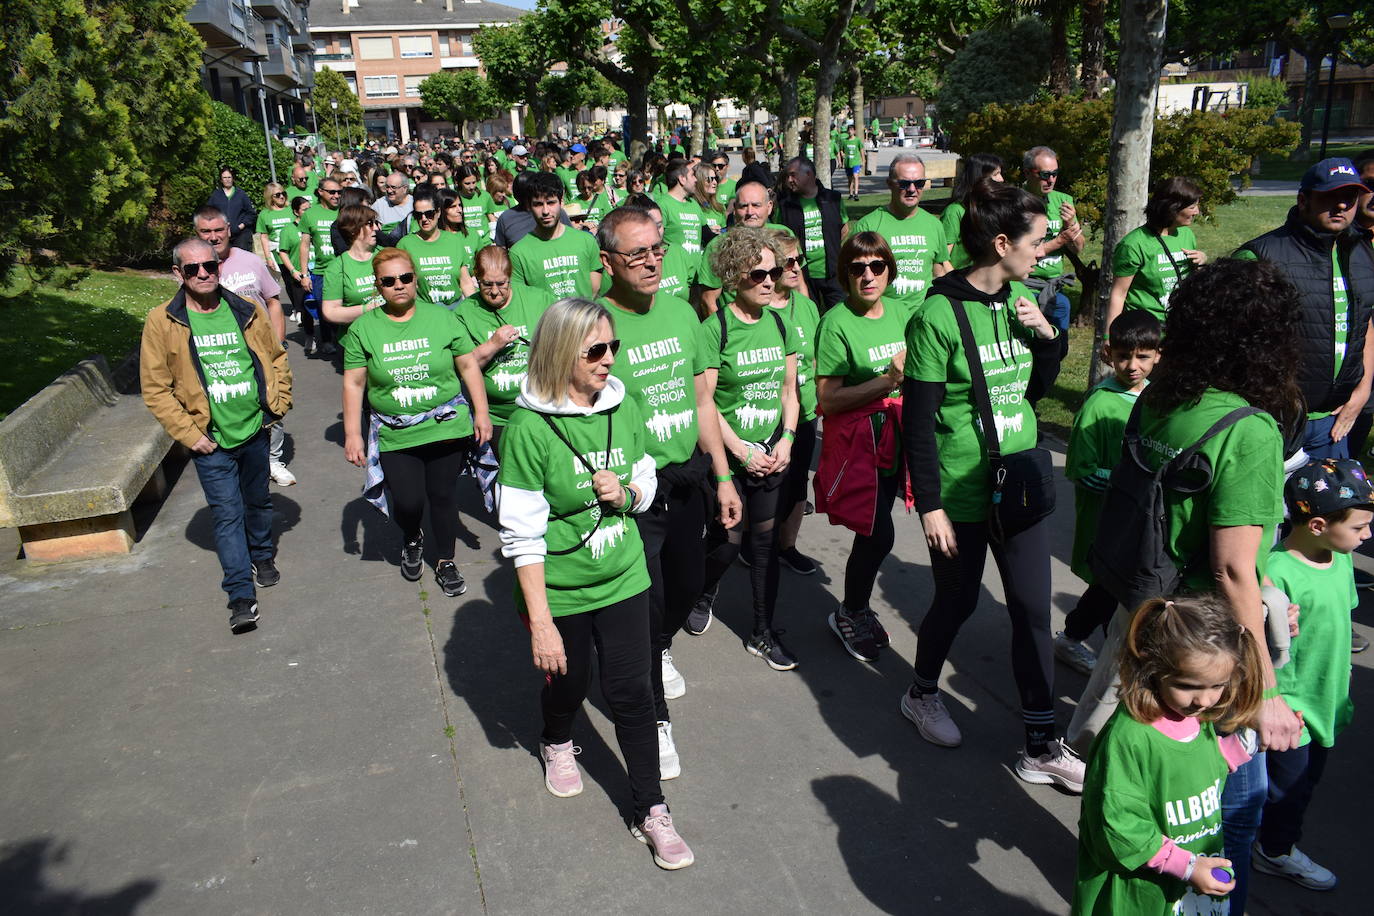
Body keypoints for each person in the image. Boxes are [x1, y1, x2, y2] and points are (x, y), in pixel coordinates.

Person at [1066, 259, 1306, 914]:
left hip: (1153, 622)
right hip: (1212, 649)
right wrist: (1267, 690)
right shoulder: (1249, 431)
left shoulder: (1159, 396)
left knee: (1155, 786)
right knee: (1233, 809)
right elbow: (1234, 569)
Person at [496, 298, 694, 870]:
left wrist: (628, 495)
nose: (610, 360)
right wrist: (541, 626)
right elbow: (522, 536)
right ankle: (557, 737)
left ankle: (650, 809)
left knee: (633, 691)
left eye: (614, 348)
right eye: (596, 351)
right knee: (569, 680)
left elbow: (646, 479)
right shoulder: (529, 429)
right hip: (559, 589)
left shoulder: (622, 404)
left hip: (625, 576)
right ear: (562, 354)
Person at [900, 180, 1081, 789]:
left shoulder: (1020, 299)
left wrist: (1048, 336)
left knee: (1032, 609)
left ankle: (1041, 743)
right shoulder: (937, 316)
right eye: (1034, 242)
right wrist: (931, 506)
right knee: (958, 600)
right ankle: (921, 692)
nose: (1042, 253)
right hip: (960, 492)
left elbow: (1032, 390)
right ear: (1001, 243)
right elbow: (918, 423)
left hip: (1020, 483)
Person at [594, 206, 741, 778]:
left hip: (688, 478)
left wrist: (723, 475)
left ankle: (656, 647)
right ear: (607, 261)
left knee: (687, 585)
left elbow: (703, 401)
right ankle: (654, 720)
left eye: (658, 248)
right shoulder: (591, 323)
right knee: (646, 602)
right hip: (631, 492)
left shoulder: (683, 313)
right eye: (638, 253)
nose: (653, 260)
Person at [1072, 595, 1264, 915]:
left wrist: (1243, 745)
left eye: (1217, 685)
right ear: (1152, 666)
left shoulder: (1194, 716)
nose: (1203, 699)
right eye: (1188, 685)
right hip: (1137, 891)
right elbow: (1119, 826)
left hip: (1186, 881)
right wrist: (1187, 866)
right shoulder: (1129, 738)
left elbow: (1195, 765)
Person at [140, 238, 292, 634]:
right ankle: (240, 595)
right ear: (178, 274)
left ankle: (262, 554)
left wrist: (277, 403)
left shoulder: (245, 309)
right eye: (193, 269)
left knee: (257, 501)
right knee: (227, 515)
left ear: (218, 267)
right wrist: (189, 435)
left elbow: (275, 357)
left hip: (255, 428)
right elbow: (156, 388)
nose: (203, 274)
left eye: (209, 266)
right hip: (210, 439)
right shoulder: (162, 321)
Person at [341, 248, 492, 598]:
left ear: (415, 279)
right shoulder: (364, 329)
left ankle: (445, 560)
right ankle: (411, 535)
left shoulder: (443, 318)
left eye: (406, 278)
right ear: (377, 286)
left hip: (446, 424)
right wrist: (352, 434)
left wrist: (481, 413)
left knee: (442, 495)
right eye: (389, 281)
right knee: (408, 501)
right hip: (396, 430)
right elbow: (354, 383)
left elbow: (468, 366)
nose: (399, 286)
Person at [1254, 458, 1372, 891]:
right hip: (1292, 708)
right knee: (1287, 791)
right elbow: (1261, 645)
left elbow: (1340, 624)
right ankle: (1274, 851)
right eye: (1359, 528)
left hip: (1328, 699)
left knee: (1305, 782)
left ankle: (1267, 839)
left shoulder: (1340, 560)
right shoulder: (1276, 571)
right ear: (1318, 524)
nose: (1367, 536)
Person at [685, 227, 800, 671]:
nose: (771, 281)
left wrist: (786, 439)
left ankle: (762, 632)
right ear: (735, 277)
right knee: (728, 545)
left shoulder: (779, 323)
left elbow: (790, 391)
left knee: (765, 546)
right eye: (759, 274)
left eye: (775, 271)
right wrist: (738, 451)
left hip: (772, 452)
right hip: (728, 457)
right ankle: (703, 590)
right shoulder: (716, 330)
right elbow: (705, 403)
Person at [813, 232, 913, 662]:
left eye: (877, 266)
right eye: (857, 268)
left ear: (889, 270)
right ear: (846, 274)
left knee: (877, 529)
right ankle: (850, 611)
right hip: (859, 446)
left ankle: (855, 605)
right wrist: (886, 382)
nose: (868, 276)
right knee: (876, 533)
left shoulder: (903, 312)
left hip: (896, 437)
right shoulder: (836, 323)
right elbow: (827, 399)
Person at [1236, 157, 1374, 462]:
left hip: (1334, 425)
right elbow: (1228, 340)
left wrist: (1363, 391)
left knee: (1334, 511)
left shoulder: (1362, 251)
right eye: (1329, 197)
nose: (1341, 206)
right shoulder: (1260, 255)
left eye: (1349, 199)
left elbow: (1364, 323)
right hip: (1272, 420)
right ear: (1303, 200)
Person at [1056, 311, 1162, 675]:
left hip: (1138, 517)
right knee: (1113, 588)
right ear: (1107, 353)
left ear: (1158, 355)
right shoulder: (1099, 403)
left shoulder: (1156, 397)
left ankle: (1080, 641)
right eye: (1123, 356)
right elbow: (1080, 468)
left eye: (1143, 357)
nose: (1132, 366)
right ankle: (1110, 658)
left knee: (1112, 589)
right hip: (1109, 519)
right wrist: (1119, 477)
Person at [193, 206, 295, 487]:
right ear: (197, 234)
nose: (213, 237)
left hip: (261, 349)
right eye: (206, 232)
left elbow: (273, 301)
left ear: (228, 230)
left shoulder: (250, 261)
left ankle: (273, 459)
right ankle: (236, 460)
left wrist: (279, 341)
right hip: (220, 354)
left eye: (218, 230)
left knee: (270, 401)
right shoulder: (195, 271)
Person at [453, 246, 556, 444]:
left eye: (501, 283)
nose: (494, 292)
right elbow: (462, 368)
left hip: (542, 407)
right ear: (476, 278)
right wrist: (492, 345)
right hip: (497, 416)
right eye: (486, 284)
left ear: (510, 277)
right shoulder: (464, 313)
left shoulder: (539, 300)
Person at [766, 229, 821, 577]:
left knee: (798, 481)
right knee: (769, 489)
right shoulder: (753, 307)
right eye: (788, 261)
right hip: (767, 419)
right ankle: (760, 547)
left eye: (799, 258)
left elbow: (818, 361)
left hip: (806, 413)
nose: (796, 265)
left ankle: (787, 546)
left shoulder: (808, 306)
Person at [853, 153, 952, 316]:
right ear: (890, 184)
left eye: (919, 183)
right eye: (904, 183)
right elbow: (852, 279)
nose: (912, 189)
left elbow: (938, 270)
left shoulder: (934, 225)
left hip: (924, 318)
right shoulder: (868, 226)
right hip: (884, 320)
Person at [1105, 177, 1207, 329]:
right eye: (1192, 207)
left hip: (1179, 327)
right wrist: (1109, 336)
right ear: (1173, 207)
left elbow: (1192, 280)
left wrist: (1202, 259)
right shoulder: (1133, 245)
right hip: (1146, 331)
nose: (1197, 212)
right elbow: (1118, 294)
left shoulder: (1186, 235)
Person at [1022, 146, 1083, 344]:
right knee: (1028, 343)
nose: (1051, 180)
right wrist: (1059, 240)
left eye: (1055, 174)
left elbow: (1079, 248)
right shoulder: (1015, 202)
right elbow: (1022, 251)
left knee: (1058, 345)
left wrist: (1070, 224)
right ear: (1027, 173)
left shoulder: (1063, 201)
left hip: (1054, 286)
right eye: (1045, 174)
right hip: (1024, 284)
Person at [509, 172, 602, 300]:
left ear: (561, 201)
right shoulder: (518, 253)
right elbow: (521, 299)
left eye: (551, 202)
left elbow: (595, 289)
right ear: (529, 205)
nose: (546, 211)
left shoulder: (586, 241)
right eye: (538, 204)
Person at [777, 157, 849, 310]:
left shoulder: (833, 199)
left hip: (833, 274)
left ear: (809, 174)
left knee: (839, 314)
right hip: (801, 275)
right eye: (787, 176)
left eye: (793, 175)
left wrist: (832, 250)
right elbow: (780, 237)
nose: (789, 180)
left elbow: (844, 229)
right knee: (808, 316)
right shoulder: (784, 205)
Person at [397, 190, 477, 306]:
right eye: (419, 215)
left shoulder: (454, 241)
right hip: (424, 311)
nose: (424, 219)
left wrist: (473, 310)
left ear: (438, 212)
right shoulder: (405, 244)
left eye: (429, 213)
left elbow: (466, 282)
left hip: (455, 308)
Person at [299, 177, 343, 352]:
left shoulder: (343, 211)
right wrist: (304, 274)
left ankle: (342, 341)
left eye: (339, 192)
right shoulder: (310, 214)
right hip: (321, 271)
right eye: (332, 192)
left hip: (342, 268)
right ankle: (326, 340)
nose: (336, 195)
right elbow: (304, 245)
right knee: (323, 308)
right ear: (320, 192)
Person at [322, 204, 382, 328]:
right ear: (353, 229)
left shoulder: (387, 256)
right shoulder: (338, 267)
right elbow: (330, 312)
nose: (376, 228)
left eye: (376, 223)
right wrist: (369, 308)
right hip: (355, 340)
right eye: (370, 223)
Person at [942, 153, 1004, 271]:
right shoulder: (955, 211)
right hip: (960, 281)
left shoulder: (994, 210)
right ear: (979, 178)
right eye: (996, 174)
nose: (1001, 179)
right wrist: (958, 285)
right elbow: (942, 259)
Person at [655, 159, 705, 260]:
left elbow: (707, 235)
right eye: (692, 175)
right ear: (682, 179)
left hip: (696, 272)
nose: (696, 179)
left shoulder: (693, 204)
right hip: (675, 272)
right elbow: (655, 242)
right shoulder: (662, 205)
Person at [208, 167, 256, 252]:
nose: (227, 180)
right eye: (225, 178)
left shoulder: (241, 194)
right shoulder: (216, 195)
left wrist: (241, 226)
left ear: (233, 179)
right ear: (221, 180)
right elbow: (209, 213)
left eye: (229, 177)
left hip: (241, 234)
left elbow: (251, 213)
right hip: (222, 235)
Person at [255, 183, 295, 272]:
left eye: (283, 194)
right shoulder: (264, 214)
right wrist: (268, 258)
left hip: (295, 253)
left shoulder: (292, 209)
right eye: (277, 195)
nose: (281, 197)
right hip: (278, 256)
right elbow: (264, 238)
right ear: (270, 197)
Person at [455, 164, 497, 241]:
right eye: (467, 183)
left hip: (485, 241)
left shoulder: (485, 196)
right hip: (465, 241)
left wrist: (493, 236)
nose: (471, 187)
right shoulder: (455, 198)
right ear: (460, 182)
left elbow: (491, 217)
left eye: (474, 182)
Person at [373, 171, 414, 247]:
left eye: (393, 187)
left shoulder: (414, 204)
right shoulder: (379, 205)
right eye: (387, 187)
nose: (389, 191)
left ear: (405, 188)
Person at [841, 124, 865, 201]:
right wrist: (842, 153)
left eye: (851, 130)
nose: (850, 131)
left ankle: (856, 194)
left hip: (856, 162)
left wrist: (863, 160)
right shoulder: (845, 141)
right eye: (849, 130)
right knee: (850, 179)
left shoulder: (857, 140)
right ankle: (850, 194)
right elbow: (841, 149)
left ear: (854, 131)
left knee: (855, 176)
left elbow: (861, 150)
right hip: (848, 162)